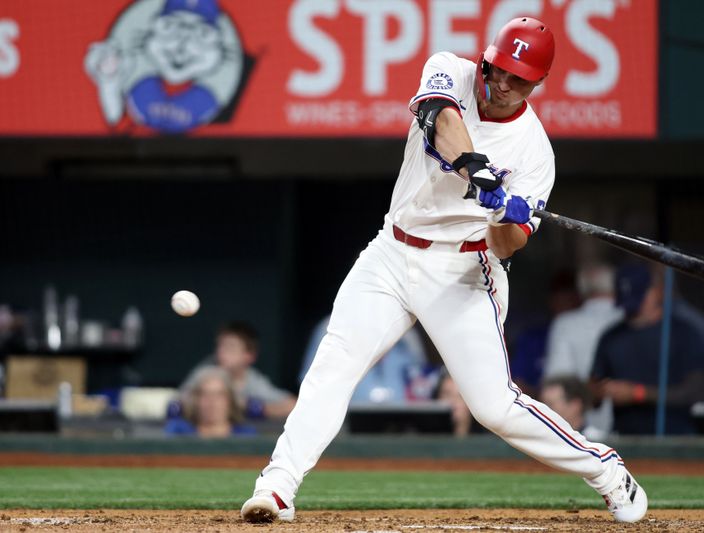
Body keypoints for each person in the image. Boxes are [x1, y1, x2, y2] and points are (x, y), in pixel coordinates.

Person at [241, 17, 647, 524]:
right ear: (485, 60)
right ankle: (277, 487)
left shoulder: (535, 155)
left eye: (518, 78)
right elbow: (441, 119)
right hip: (391, 251)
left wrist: (506, 215)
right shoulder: (449, 71)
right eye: (497, 69)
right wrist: (478, 171)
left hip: (463, 268)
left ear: (537, 85)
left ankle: (605, 469)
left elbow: (507, 246)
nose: (501, 84)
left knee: (493, 407)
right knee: (332, 367)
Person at [590, 264, 704, 435]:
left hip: (676, 435)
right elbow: (594, 393)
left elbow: (694, 392)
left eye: (639, 299)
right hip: (625, 435)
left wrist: (638, 393)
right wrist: (602, 391)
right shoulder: (611, 337)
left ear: (656, 292)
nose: (632, 309)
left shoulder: (683, 332)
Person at [542, 262, 623, 434]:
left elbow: (557, 381)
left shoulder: (565, 323)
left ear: (581, 291)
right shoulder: (630, 320)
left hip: (580, 429)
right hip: (631, 424)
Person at [299, 315, 428, 404]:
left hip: (401, 428)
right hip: (344, 430)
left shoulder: (408, 334)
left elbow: (422, 388)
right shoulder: (332, 328)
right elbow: (311, 390)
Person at [181, 321, 296, 420]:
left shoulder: (252, 380)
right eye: (220, 346)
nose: (222, 352)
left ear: (249, 356)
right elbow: (177, 404)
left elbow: (292, 405)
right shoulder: (206, 373)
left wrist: (261, 409)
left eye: (230, 347)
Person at [166, 366, 256, 437]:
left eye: (219, 395)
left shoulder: (245, 434)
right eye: (205, 394)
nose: (212, 401)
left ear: (230, 400)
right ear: (196, 400)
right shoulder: (178, 431)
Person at [539, 375, 606, 441]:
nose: (542, 410)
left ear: (575, 405)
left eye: (550, 404)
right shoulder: (540, 440)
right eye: (542, 404)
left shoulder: (598, 443)